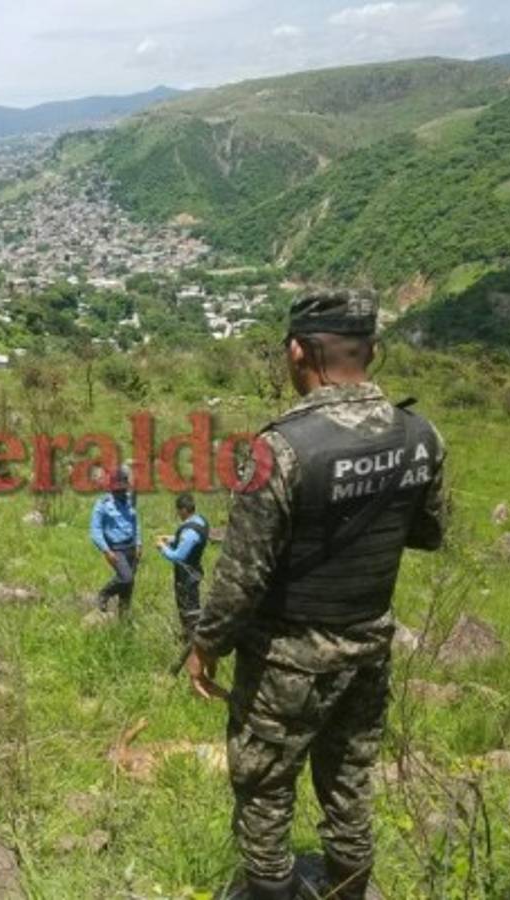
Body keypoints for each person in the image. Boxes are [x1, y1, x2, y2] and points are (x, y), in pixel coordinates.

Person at [185, 290, 447, 900]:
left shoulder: (277, 451)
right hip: (368, 650)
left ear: (299, 352)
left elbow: (242, 577)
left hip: (287, 662)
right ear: (372, 351)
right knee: (350, 787)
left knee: (265, 793)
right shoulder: (421, 436)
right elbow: (428, 534)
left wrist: (205, 645)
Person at [156, 493, 210, 639]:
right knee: (193, 604)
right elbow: (190, 541)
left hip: (186, 574)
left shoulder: (190, 531)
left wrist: (162, 547)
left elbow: (178, 556)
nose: (178, 514)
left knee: (187, 607)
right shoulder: (200, 521)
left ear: (184, 510)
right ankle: (192, 635)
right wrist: (171, 538)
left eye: (178, 510)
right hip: (195, 570)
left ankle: (190, 639)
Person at [90, 466, 142, 616]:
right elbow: (95, 530)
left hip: (131, 546)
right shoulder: (103, 504)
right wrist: (106, 550)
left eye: (123, 489)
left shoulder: (130, 501)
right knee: (126, 578)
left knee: (129, 587)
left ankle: (123, 621)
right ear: (111, 488)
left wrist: (139, 542)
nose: (121, 492)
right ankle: (104, 594)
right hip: (116, 548)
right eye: (117, 489)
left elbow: (135, 522)